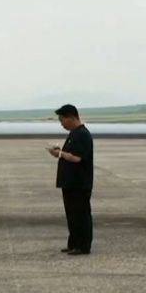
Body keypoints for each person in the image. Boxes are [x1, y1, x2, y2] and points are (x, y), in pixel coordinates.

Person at [47, 104, 94, 255]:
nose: (61, 124)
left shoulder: (82, 134)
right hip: (70, 183)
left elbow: (77, 158)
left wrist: (60, 154)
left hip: (79, 183)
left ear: (71, 117)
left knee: (81, 214)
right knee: (72, 215)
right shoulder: (74, 134)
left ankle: (83, 246)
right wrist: (60, 152)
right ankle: (74, 243)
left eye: (62, 120)